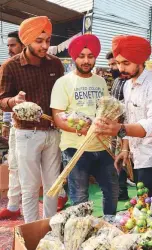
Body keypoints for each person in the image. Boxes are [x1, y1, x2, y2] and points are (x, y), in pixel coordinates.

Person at [0, 16, 64, 223]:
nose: (45, 45)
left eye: (48, 40)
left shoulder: (55, 64)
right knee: (29, 186)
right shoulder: (10, 66)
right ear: (26, 40)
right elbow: (1, 98)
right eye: (39, 41)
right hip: (26, 134)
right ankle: (32, 231)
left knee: (53, 186)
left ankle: (50, 229)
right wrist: (13, 102)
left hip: (53, 133)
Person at [95, 35, 152, 197]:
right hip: (138, 158)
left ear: (139, 61)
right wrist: (125, 149)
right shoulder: (128, 85)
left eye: (126, 63)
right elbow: (130, 119)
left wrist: (120, 128)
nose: (121, 68)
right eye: (118, 63)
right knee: (143, 206)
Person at [51, 34, 119, 215]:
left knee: (112, 191)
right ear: (74, 57)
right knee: (80, 197)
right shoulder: (63, 83)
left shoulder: (101, 81)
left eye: (90, 56)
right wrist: (80, 128)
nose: (86, 60)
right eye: (81, 56)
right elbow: (58, 117)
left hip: (101, 145)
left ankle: (109, 225)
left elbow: (105, 108)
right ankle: (80, 233)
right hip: (75, 147)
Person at [0, 31, 24, 220]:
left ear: (23, 45)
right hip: (18, 125)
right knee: (14, 165)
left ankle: (61, 195)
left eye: (13, 45)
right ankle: (13, 206)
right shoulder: (9, 67)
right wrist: (7, 123)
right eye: (8, 45)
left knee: (38, 167)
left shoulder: (39, 66)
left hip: (39, 127)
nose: (9, 49)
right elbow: (7, 98)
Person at [106, 51, 130, 201]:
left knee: (122, 158)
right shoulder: (115, 81)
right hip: (113, 127)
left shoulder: (129, 83)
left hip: (125, 128)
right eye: (110, 65)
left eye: (114, 64)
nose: (112, 68)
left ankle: (122, 190)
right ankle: (116, 188)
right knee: (113, 157)